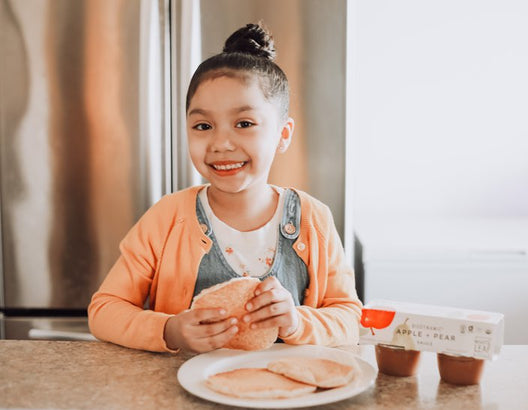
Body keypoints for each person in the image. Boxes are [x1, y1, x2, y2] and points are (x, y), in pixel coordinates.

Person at [88, 22, 362, 353]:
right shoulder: (166, 219)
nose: (220, 143)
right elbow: (104, 310)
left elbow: (349, 317)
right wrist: (169, 330)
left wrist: (296, 321)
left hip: (287, 395)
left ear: (283, 134)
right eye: (203, 126)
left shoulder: (313, 220)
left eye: (244, 123)